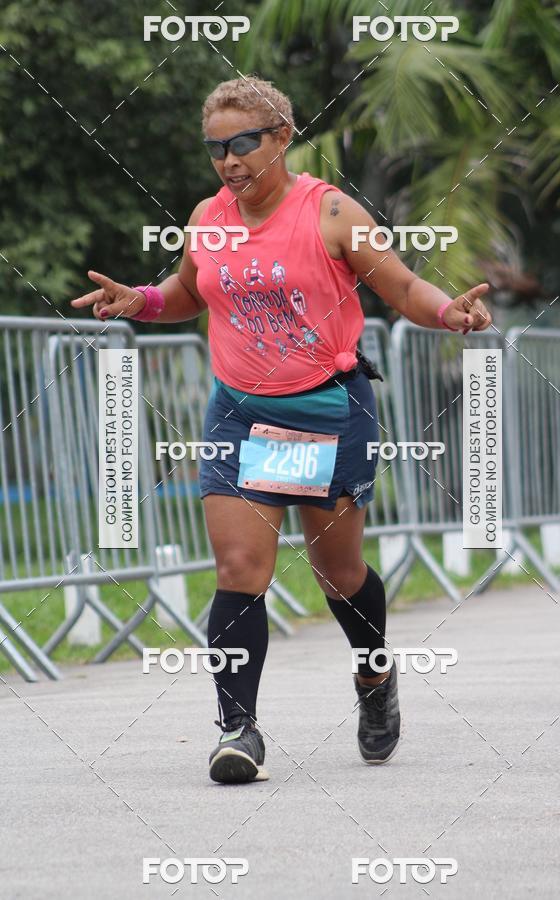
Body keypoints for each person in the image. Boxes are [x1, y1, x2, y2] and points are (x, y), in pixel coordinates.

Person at [71, 76, 492, 785]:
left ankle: (373, 675)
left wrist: (450, 312)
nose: (230, 161)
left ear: (282, 137)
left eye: (244, 143)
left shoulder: (330, 212)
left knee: (339, 574)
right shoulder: (208, 216)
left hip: (327, 412)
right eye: (216, 149)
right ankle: (239, 730)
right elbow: (185, 293)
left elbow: (403, 288)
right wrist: (137, 301)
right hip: (241, 414)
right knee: (240, 570)